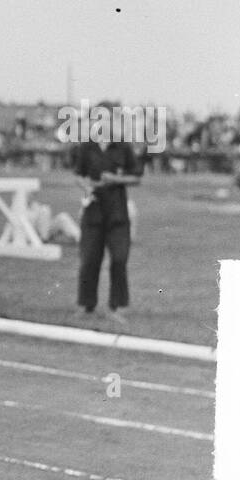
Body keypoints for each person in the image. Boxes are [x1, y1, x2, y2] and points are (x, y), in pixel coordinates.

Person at [71, 111, 143, 324]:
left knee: (119, 259)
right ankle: (87, 305)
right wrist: (86, 185)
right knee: (89, 260)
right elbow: (77, 174)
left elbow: (137, 178)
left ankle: (115, 307)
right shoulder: (86, 147)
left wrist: (116, 179)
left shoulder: (123, 147)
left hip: (117, 213)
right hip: (93, 212)